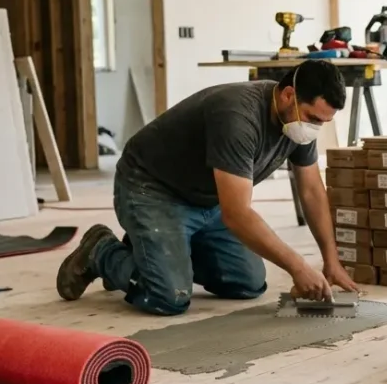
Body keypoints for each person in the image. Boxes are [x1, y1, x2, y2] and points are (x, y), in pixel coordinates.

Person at [55, 60, 358, 315]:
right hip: (152, 187)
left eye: (323, 122)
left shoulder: (297, 125)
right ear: (289, 95)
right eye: (313, 118)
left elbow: (312, 191)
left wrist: (331, 261)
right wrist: (298, 267)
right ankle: (102, 251)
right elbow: (237, 214)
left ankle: (154, 250)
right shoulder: (238, 117)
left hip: (206, 200)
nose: (314, 128)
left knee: (249, 283)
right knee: (168, 297)